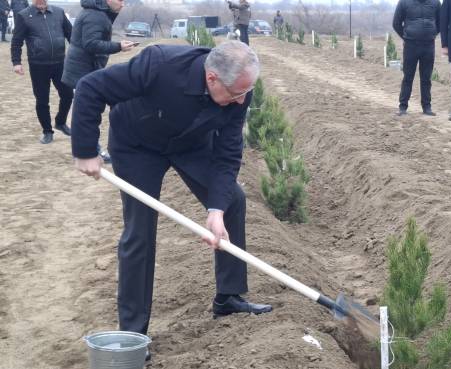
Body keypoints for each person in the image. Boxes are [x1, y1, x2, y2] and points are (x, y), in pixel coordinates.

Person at [71, 41, 272, 343]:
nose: (241, 100)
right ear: (212, 78)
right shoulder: (159, 65)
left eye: (245, 93)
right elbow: (90, 87)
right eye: (235, 94)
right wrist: (86, 149)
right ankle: (133, 333)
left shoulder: (239, 91)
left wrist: (215, 210)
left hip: (191, 144)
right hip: (137, 145)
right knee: (140, 231)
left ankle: (228, 298)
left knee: (232, 200)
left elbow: (228, 153)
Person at [62, 0, 135, 163]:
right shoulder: (94, 15)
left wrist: (113, 12)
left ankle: (86, 149)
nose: (122, 4)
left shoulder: (97, 12)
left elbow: (104, 27)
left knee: (81, 109)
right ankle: (88, 152)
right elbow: (91, 43)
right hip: (83, 70)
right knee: (86, 112)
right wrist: (118, 46)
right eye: (119, 0)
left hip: (85, 67)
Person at [11, 0, 72, 144]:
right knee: (42, 100)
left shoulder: (59, 12)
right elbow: (17, 41)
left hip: (60, 63)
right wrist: (16, 62)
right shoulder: (24, 15)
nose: (40, 1)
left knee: (68, 94)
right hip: (38, 65)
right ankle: (47, 131)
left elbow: (72, 35)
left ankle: (60, 122)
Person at [392, 0, 440, 116]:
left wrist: (432, 33)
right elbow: (396, 23)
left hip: (428, 45)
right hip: (410, 45)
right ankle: (403, 107)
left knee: (426, 78)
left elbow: (441, 22)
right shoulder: (404, 2)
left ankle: (427, 107)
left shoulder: (435, 3)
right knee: (408, 77)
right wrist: (406, 35)